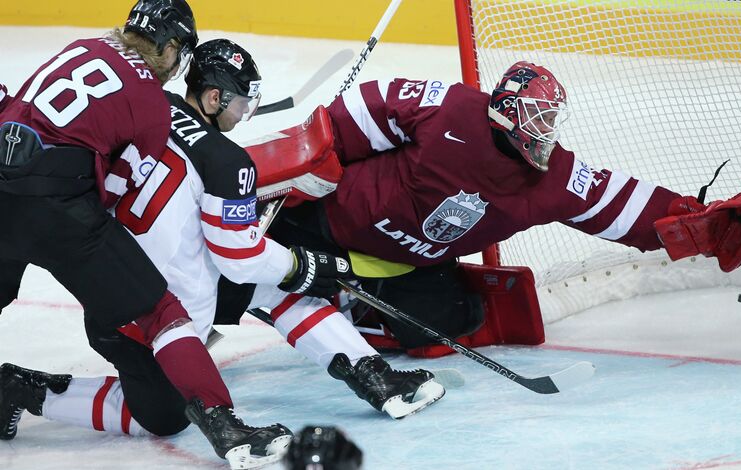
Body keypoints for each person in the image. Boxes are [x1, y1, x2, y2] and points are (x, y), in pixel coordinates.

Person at [0, 38, 443, 468]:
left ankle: (371, 374)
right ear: (213, 97)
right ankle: (22, 388)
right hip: (161, 315)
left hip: (108, 282)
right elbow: (238, 254)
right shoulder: (228, 163)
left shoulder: (153, 107)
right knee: (163, 416)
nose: (243, 113)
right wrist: (302, 264)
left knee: (265, 286)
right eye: (240, 104)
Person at [267, 61, 741, 350]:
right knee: (238, 269)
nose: (546, 130)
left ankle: (347, 304)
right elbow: (350, 120)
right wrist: (297, 170)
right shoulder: (447, 108)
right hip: (326, 224)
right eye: (539, 116)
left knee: (454, 320)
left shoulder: (552, 178)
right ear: (507, 109)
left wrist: (685, 217)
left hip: (399, 264)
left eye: (551, 120)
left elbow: (615, 201)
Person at [0, 2, 299, 468]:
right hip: (59, 210)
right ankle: (224, 424)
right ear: (171, 47)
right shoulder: (150, 103)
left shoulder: (83, 46)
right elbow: (115, 194)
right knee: (163, 315)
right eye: (181, 56)